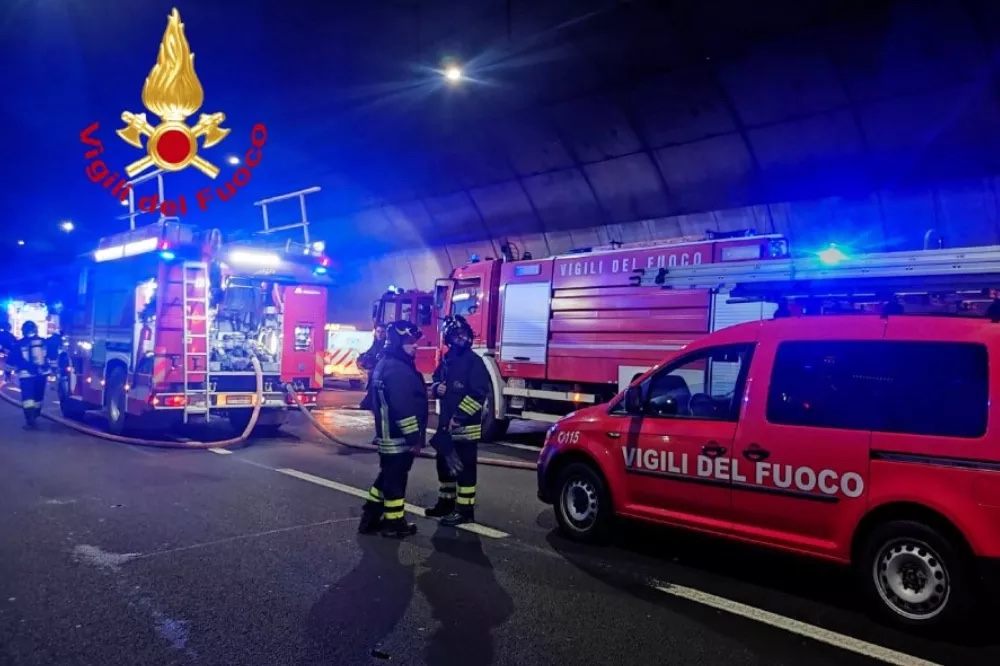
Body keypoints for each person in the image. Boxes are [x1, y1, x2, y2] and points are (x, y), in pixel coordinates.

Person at [358, 320, 428, 538]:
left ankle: (370, 517)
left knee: (387, 477)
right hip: (398, 438)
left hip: (389, 436)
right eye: (410, 341)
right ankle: (394, 523)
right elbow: (403, 407)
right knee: (396, 480)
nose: (415, 345)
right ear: (398, 342)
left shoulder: (387, 364)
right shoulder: (397, 369)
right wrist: (414, 438)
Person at [425, 314, 491, 526]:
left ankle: (464, 510)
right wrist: (437, 388)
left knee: (464, 469)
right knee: (444, 465)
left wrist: (460, 417)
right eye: (457, 334)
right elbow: (435, 379)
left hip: (465, 428)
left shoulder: (474, 362)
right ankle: (446, 503)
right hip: (446, 426)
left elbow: (478, 394)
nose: (461, 338)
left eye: (463, 334)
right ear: (449, 338)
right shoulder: (447, 359)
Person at [12, 321, 49, 428]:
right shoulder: (43, 342)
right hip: (42, 374)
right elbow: (51, 356)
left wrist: (8, 371)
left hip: (26, 375)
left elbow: (13, 358)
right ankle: (35, 416)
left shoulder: (20, 343)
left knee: (28, 399)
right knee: (38, 397)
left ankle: (30, 420)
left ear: (23, 331)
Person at [357, 323, 387, 412]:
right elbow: (370, 353)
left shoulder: (387, 346)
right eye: (378, 332)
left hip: (381, 373)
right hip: (374, 373)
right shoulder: (376, 344)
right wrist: (362, 358)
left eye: (382, 332)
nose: (380, 334)